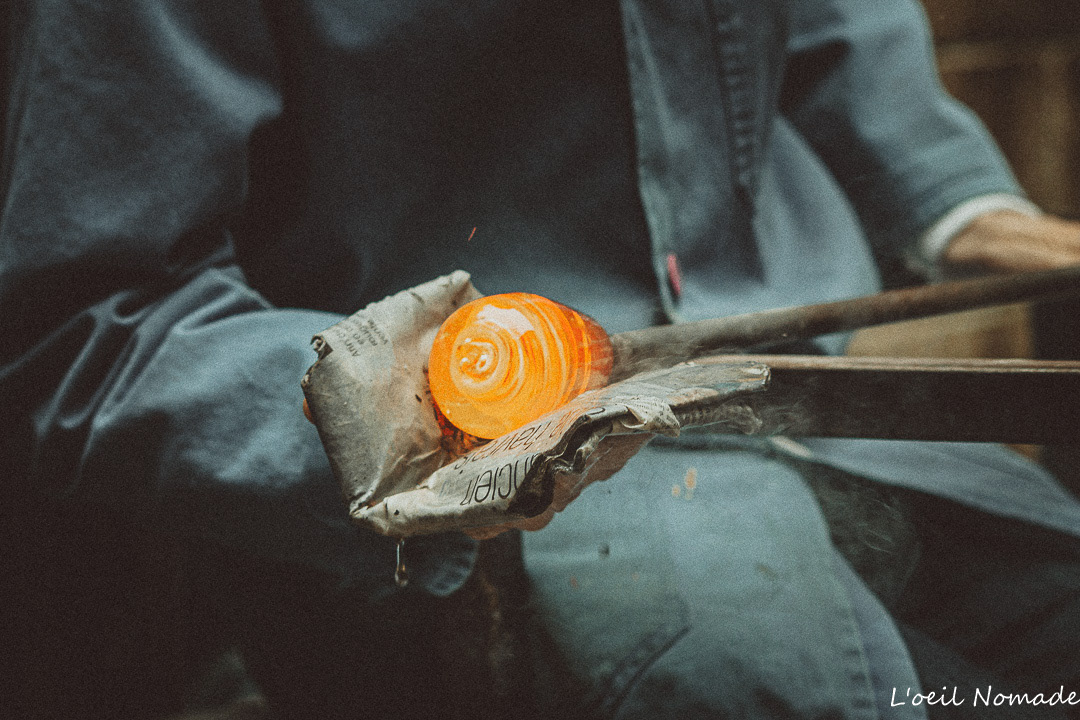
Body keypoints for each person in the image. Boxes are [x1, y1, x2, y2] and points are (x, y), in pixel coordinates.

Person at [3, 0, 1080, 718]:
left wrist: (969, 211)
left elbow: (832, 24)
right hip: (471, 524)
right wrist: (390, 416)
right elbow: (88, 323)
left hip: (829, 428)